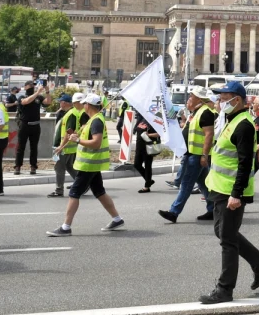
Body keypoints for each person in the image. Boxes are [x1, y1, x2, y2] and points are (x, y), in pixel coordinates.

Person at [198, 81, 259, 305]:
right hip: (219, 187)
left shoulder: (244, 125)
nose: (220, 102)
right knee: (222, 232)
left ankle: (224, 290)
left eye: (224, 98)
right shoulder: (231, 120)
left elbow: (245, 163)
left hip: (231, 190)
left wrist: (236, 194)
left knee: (228, 240)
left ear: (237, 100)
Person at [46, 93, 124, 236]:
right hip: (91, 163)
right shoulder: (94, 119)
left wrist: (77, 140)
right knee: (99, 192)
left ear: (88, 105)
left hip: (89, 164)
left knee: (74, 193)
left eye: (84, 104)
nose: (83, 106)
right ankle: (117, 219)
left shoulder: (96, 121)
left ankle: (66, 227)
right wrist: (77, 137)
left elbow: (96, 143)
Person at [160, 86, 216, 223]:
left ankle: (174, 212)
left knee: (186, 184)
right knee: (203, 184)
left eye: (192, 96)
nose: (189, 98)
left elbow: (209, 134)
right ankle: (213, 209)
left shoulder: (205, 113)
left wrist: (204, 155)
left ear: (199, 99)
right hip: (191, 153)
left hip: (197, 155)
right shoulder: (196, 112)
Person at [13, 79, 50, 175]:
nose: (32, 86)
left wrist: (47, 91)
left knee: (34, 147)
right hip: (24, 125)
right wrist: (37, 92)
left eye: (33, 85)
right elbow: (26, 102)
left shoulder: (39, 97)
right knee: (21, 147)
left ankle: (33, 166)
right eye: (30, 85)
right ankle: (18, 166)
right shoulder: (22, 96)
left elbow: (48, 102)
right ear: (25, 87)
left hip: (35, 125)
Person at [133, 105, 160, 192]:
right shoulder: (143, 119)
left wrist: (149, 135)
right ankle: (149, 180)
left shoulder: (155, 121)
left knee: (148, 166)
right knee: (136, 164)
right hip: (139, 146)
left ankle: (147, 186)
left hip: (148, 147)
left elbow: (159, 133)